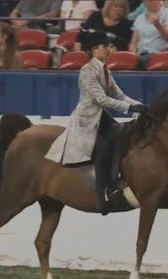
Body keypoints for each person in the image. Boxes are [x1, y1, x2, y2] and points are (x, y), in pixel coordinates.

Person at [62, 31, 148, 215]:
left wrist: (138, 105)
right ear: (94, 49)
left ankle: (119, 178)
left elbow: (119, 94)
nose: (109, 49)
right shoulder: (87, 71)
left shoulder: (105, 69)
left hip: (101, 117)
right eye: (105, 46)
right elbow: (101, 99)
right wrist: (129, 108)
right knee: (105, 145)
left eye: (108, 46)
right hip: (87, 120)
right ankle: (102, 194)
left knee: (125, 133)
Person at [129, 0, 168, 69]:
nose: (148, 2)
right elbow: (133, 43)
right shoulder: (140, 18)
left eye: (151, 1)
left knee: (143, 61)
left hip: (160, 55)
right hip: (141, 55)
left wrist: (158, 25)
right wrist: (133, 54)